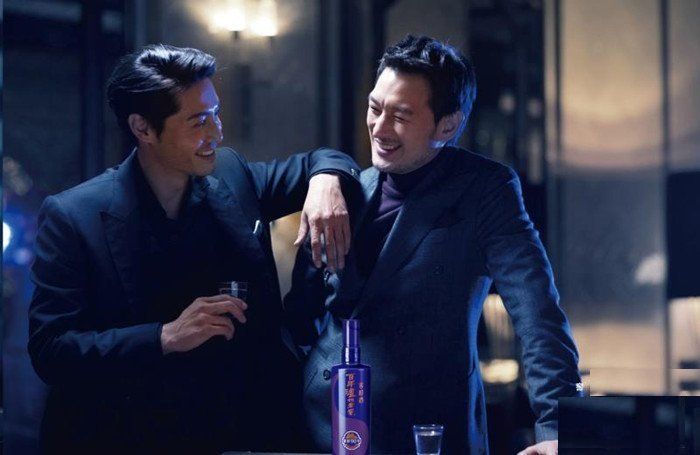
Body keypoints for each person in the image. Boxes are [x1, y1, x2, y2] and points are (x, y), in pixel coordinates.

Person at [28, 44, 360, 454]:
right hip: (123, 435)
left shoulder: (232, 173)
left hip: (233, 431)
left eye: (215, 114)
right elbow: (51, 350)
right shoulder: (73, 215)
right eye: (199, 121)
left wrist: (326, 181)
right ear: (143, 128)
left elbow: (324, 159)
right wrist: (165, 336)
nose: (216, 133)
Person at [284, 35, 583, 455]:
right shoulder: (343, 192)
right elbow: (300, 316)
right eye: (375, 108)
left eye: (401, 116)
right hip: (323, 425)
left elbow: (537, 310)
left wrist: (556, 426)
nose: (379, 128)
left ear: (448, 125)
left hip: (427, 431)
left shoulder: (486, 189)